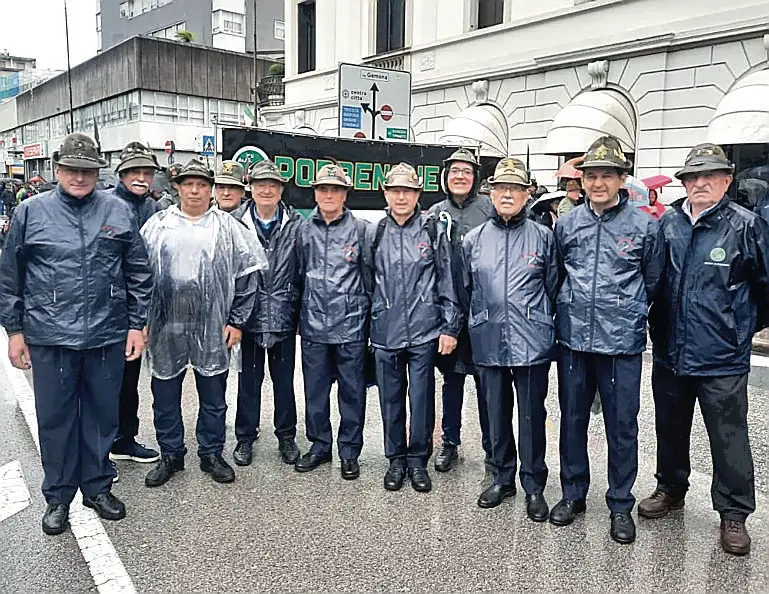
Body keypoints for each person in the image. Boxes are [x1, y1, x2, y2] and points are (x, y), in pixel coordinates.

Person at [0, 133, 153, 535]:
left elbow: (139, 273)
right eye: (71, 169)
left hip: (106, 333)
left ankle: (98, 487)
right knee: (55, 419)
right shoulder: (31, 212)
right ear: (56, 169)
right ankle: (58, 495)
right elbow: (10, 277)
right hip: (49, 337)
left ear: (97, 172)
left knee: (102, 417)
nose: (79, 177)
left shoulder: (118, 211)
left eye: (86, 170)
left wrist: (137, 325)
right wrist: (14, 331)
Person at [643, 144, 769, 556]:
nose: (699, 183)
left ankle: (734, 514)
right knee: (670, 428)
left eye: (708, 176)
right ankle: (671, 488)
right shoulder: (670, 224)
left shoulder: (745, 225)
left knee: (729, 438)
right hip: (671, 352)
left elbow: (765, 287)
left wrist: (740, 327)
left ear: (727, 181)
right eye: (692, 177)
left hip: (722, 357)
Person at [550, 135, 664, 545]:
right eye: (591, 176)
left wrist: (628, 309)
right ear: (582, 182)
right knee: (573, 422)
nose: (598, 183)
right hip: (574, 340)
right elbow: (556, 276)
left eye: (606, 176)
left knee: (622, 427)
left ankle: (619, 503)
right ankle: (573, 494)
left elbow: (653, 281)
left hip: (621, 343)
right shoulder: (567, 223)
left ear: (621, 180)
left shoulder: (644, 225)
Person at [141, 159, 266, 488]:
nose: (194, 190)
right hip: (166, 325)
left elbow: (247, 277)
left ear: (210, 190)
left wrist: (237, 321)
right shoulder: (158, 225)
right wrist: (141, 321)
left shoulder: (227, 227)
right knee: (165, 394)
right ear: (178, 187)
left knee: (213, 396)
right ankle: (171, 453)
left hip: (213, 326)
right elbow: (138, 276)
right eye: (188, 184)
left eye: (201, 184)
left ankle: (211, 452)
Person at [461, 158, 557, 519]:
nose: (507, 194)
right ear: (491, 193)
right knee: (495, 415)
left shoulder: (543, 236)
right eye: (501, 188)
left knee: (532, 416)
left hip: (531, 340)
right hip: (488, 337)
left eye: (514, 189)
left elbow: (553, 285)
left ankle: (533, 484)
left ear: (527, 194)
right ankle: (502, 477)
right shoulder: (474, 240)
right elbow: (465, 288)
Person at [365, 163, 460, 493]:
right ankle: (396, 460)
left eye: (408, 190)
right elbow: (367, 284)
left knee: (421, 398)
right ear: (385, 193)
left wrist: (450, 326)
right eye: (395, 190)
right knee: (390, 399)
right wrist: (368, 328)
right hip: (385, 330)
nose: (401, 196)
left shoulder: (431, 231)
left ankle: (418, 459)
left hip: (424, 330)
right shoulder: (375, 232)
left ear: (418, 194)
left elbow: (447, 278)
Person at [294, 164, 369, 479]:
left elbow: (370, 279)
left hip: (350, 325)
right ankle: (320, 445)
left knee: (353, 393)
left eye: (335, 189)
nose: (328, 195)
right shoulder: (303, 229)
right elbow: (298, 274)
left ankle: (349, 451)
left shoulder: (362, 230)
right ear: (315, 193)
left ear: (345, 194)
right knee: (315, 392)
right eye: (323, 189)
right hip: (313, 326)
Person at [230, 159, 303, 466]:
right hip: (248, 316)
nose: (266, 190)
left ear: (281, 189)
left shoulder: (296, 223)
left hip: (284, 315)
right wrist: (232, 317)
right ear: (251, 188)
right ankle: (245, 438)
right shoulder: (235, 222)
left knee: (285, 382)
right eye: (261, 184)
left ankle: (286, 437)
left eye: (273, 185)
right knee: (249, 382)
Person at [427, 147, 493, 473]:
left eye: (467, 171)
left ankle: (493, 448)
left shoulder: (489, 209)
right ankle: (449, 442)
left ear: (475, 177)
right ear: (446, 176)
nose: (460, 176)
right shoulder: (435, 213)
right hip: (447, 314)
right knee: (452, 382)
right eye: (455, 171)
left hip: (482, 313)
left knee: (486, 384)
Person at [109, 142, 161, 466]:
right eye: (135, 172)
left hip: (141, 309)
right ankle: (100, 447)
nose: (141, 178)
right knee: (105, 383)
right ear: (122, 174)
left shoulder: (155, 209)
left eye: (147, 172)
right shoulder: (107, 206)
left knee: (130, 380)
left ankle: (125, 439)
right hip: (112, 309)